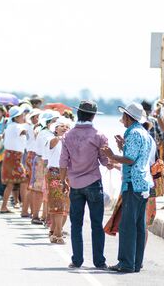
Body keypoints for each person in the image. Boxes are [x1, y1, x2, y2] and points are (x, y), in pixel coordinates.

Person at [101, 102, 153, 273]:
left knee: (127, 225)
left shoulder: (133, 134)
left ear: (128, 117)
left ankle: (126, 263)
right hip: (143, 183)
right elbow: (135, 156)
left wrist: (112, 155)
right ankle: (135, 263)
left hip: (133, 183)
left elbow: (130, 160)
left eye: (123, 116)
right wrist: (123, 147)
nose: (121, 120)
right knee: (138, 225)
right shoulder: (143, 133)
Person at [59, 100, 109, 270]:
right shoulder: (99, 135)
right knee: (96, 223)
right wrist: (115, 163)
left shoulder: (67, 135)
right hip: (94, 182)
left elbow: (63, 162)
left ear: (78, 114)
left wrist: (62, 182)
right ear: (93, 116)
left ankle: (77, 259)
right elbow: (104, 161)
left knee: (76, 224)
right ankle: (99, 261)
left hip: (75, 184)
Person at [30, 110, 59, 225]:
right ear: (48, 122)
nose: (56, 123)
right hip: (42, 161)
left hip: (44, 161)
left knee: (45, 190)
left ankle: (44, 216)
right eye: (54, 121)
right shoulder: (45, 133)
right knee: (39, 190)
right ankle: (36, 216)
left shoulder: (45, 132)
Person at [46, 117, 72, 244]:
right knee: (57, 204)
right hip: (55, 173)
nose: (65, 127)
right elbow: (53, 143)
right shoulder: (51, 140)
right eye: (61, 126)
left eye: (67, 126)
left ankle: (55, 231)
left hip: (68, 174)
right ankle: (58, 234)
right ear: (55, 129)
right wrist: (61, 137)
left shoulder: (70, 141)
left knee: (66, 205)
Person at [0, 106, 28, 214]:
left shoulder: (9, 126)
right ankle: (24, 209)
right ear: (16, 118)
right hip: (14, 157)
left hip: (9, 155)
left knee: (11, 183)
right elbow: (23, 132)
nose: (23, 117)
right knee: (24, 181)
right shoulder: (17, 126)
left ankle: (4, 206)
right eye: (21, 116)